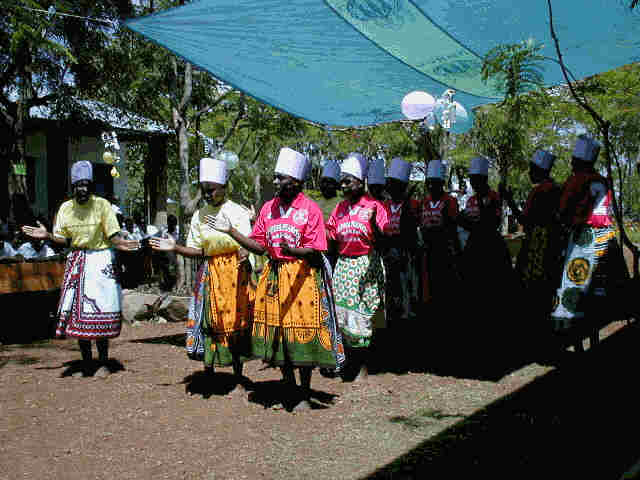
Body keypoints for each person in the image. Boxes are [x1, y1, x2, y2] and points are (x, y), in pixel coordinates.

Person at [210, 147, 344, 410]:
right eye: (275, 177)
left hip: (302, 280)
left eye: (280, 177)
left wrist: (292, 250)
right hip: (273, 278)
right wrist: (232, 231)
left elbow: (318, 249)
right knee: (278, 335)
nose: (275, 182)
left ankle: (304, 393)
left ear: (295, 182)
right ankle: (289, 388)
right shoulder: (268, 209)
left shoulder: (310, 210)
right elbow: (259, 246)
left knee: (301, 333)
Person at [22, 161, 139, 377]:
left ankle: (103, 362)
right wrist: (47, 235)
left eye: (85, 184)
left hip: (101, 260)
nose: (81, 189)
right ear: (72, 187)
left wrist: (124, 244)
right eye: (77, 185)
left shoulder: (102, 205)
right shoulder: (66, 208)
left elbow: (113, 236)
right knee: (78, 315)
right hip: (77, 261)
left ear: (91, 186)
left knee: (100, 311)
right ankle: (87, 363)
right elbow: (62, 239)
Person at [151, 155, 254, 394]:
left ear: (224, 188)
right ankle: (209, 374)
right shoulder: (199, 215)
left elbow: (248, 243)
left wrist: (245, 256)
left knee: (235, 324)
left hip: (234, 273)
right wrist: (175, 247)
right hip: (210, 273)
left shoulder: (236, 211)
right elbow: (198, 249)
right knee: (208, 322)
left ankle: (238, 377)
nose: (208, 195)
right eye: (204, 191)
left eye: (212, 190)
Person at [551, 136, 628, 348]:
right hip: (605, 240)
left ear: (580, 160)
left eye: (574, 158)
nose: (571, 162)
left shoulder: (576, 181)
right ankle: (596, 340)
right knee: (599, 293)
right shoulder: (602, 181)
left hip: (583, 241)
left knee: (575, 291)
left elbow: (562, 211)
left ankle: (577, 343)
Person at [327, 152, 388, 381]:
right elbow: (331, 237)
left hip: (366, 266)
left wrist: (372, 223)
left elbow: (383, 240)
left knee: (363, 317)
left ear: (360, 182)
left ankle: (363, 365)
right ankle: (348, 362)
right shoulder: (340, 209)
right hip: (343, 266)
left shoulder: (374, 206)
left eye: (347, 181)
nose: (342, 186)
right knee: (342, 316)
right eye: (341, 182)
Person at [501, 151, 563, 333]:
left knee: (530, 285)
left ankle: (531, 327)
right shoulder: (557, 189)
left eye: (531, 169)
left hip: (537, 245)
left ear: (539, 170)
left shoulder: (538, 192)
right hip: (554, 243)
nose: (529, 173)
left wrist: (509, 199)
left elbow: (525, 220)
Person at [418, 160, 462, 314]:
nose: (431, 187)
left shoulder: (450, 201)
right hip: (427, 252)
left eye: (435, 183)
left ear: (442, 183)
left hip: (444, 251)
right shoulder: (424, 202)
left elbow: (452, 227)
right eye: (428, 183)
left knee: (444, 288)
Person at [380, 157, 419, 324]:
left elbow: (412, 229)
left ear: (403, 187)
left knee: (407, 284)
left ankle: (407, 313)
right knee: (389, 285)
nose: (391, 188)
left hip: (405, 251)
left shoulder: (413, 204)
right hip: (388, 250)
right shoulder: (384, 205)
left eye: (396, 184)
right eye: (390, 184)